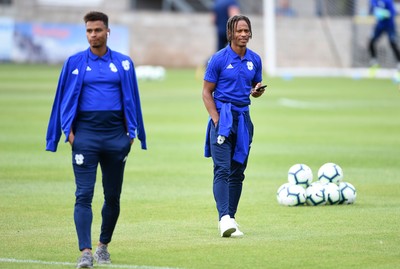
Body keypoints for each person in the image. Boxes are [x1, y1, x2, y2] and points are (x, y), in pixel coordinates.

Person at [45, 11, 146, 268]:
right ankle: (86, 252)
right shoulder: (74, 62)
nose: (93, 35)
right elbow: (61, 99)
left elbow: (133, 99)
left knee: (112, 196)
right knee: (83, 195)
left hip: (116, 137)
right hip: (86, 136)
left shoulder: (123, 63)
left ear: (107, 32)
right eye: (89, 31)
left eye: (98, 30)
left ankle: (103, 246)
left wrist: (131, 135)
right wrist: (67, 133)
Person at [202, 15, 265, 238]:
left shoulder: (255, 60)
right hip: (223, 120)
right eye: (239, 31)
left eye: (246, 30)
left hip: (244, 121)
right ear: (230, 33)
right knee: (222, 169)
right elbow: (206, 92)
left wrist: (255, 92)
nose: (243, 34)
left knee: (238, 171)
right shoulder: (218, 59)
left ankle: (231, 218)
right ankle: (224, 219)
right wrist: (217, 120)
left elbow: (252, 88)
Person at [368, 0, 400, 73]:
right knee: (371, 41)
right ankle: (374, 61)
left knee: (393, 43)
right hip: (379, 25)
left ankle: (399, 63)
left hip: (389, 25)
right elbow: (372, 10)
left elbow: (393, 13)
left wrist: (384, 13)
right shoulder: (373, 1)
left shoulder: (388, 1)